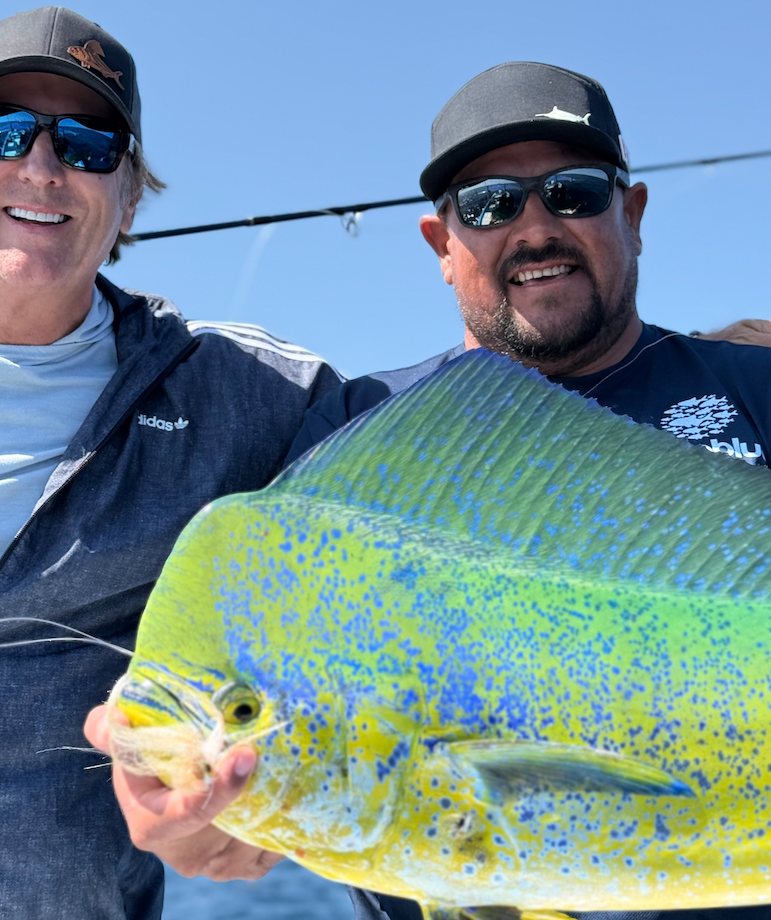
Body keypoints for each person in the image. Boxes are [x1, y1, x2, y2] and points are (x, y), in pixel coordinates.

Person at [281, 61, 771, 920]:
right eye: (490, 204)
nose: (534, 227)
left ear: (634, 214)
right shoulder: (354, 430)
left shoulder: (756, 386)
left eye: (573, 193)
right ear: (441, 244)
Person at [0, 7, 340, 919]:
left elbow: (458, 475)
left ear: (130, 195)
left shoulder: (245, 394)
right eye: (4, 131)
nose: (43, 166)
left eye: (90, 144)